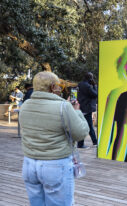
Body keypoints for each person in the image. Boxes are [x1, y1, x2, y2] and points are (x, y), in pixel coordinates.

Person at [19, 71, 89, 206]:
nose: (60, 88)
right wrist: (77, 111)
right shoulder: (63, 106)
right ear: (52, 87)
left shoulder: (26, 105)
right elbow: (80, 133)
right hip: (55, 165)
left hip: (29, 164)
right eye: (58, 86)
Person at [77, 72, 98, 148]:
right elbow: (95, 94)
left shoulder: (80, 84)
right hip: (87, 108)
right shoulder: (88, 86)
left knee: (84, 125)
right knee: (89, 126)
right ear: (90, 78)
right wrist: (95, 86)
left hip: (81, 107)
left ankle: (83, 143)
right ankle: (92, 142)